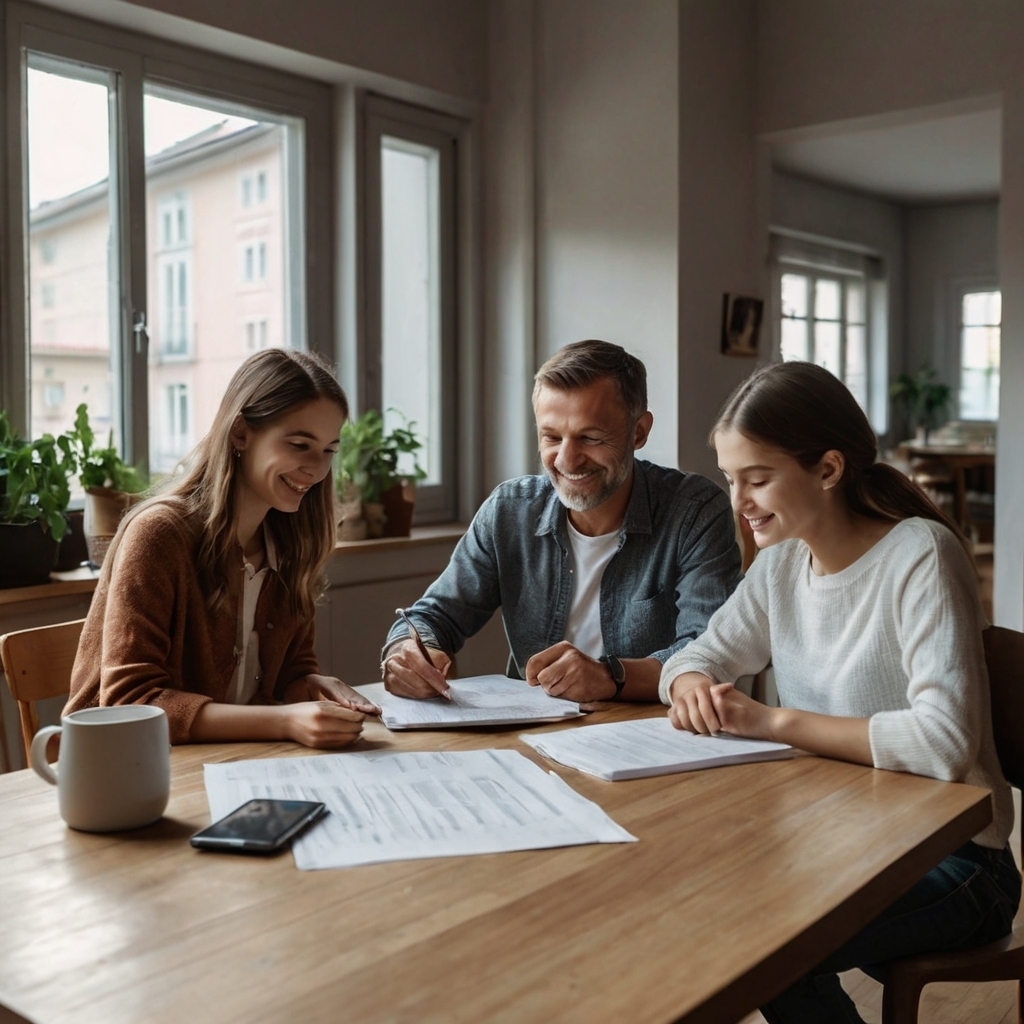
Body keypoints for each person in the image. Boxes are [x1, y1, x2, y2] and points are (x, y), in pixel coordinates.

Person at [660, 361, 1019, 1024]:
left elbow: (942, 744)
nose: (738, 500)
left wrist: (771, 722)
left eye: (757, 478)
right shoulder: (779, 566)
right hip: (843, 841)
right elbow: (699, 655)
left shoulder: (920, 555)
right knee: (727, 917)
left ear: (827, 469)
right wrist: (688, 681)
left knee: (764, 945)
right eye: (730, 479)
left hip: (962, 861)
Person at [382, 339, 743, 704]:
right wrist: (409, 655)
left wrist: (610, 677)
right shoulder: (510, 511)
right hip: (536, 736)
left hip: (656, 734)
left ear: (638, 432)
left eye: (590, 437)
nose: (567, 460)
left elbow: (709, 651)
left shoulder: (694, 509)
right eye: (551, 437)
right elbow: (433, 615)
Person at [65, 349, 379, 748]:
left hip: (234, 762)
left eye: (329, 450)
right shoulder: (158, 535)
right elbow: (130, 701)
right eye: (300, 444)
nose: (317, 469)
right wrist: (283, 721)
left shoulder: (291, 543)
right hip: (129, 771)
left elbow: (285, 676)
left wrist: (308, 687)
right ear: (241, 433)